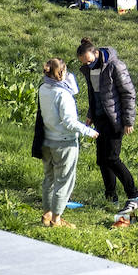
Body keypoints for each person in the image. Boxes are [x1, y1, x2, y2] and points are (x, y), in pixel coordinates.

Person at [75, 37, 138, 207]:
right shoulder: (89, 70)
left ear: (95, 53)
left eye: (89, 61)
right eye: (84, 63)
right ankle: (110, 197)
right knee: (101, 160)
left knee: (112, 158)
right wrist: (90, 114)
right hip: (99, 118)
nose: (87, 65)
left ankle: (134, 195)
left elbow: (128, 93)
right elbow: (94, 95)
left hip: (115, 119)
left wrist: (128, 121)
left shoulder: (115, 66)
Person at [36, 57, 99, 228]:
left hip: (47, 141)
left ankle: (47, 214)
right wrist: (89, 131)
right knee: (64, 181)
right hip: (64, 143)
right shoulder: (63, 94)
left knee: (49, 179)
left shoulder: (43, 87)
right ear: (62, 72)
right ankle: (56, 219)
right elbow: (69, 122)